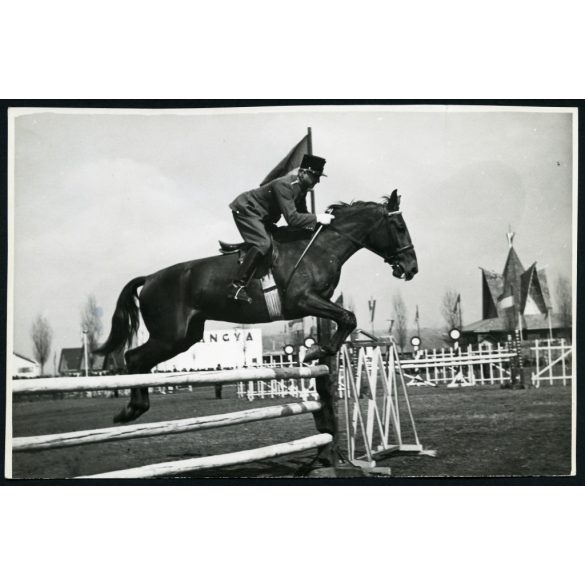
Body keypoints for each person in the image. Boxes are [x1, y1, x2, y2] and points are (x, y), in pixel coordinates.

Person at [227, 154, 335, 303]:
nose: (317, 181)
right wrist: (318, 218)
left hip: (261, 216)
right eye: (315, 176)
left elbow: (303, 215)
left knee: (282, 236)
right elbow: (293, 219)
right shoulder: (284, 185)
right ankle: (237, 286)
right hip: (247, 211)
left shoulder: (301, 188)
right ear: (303, 173)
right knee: (263, 244)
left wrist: (319, 223)